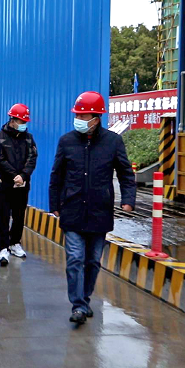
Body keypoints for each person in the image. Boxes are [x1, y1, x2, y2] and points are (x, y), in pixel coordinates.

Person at [50, 91, 135, 324]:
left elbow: (126, 173)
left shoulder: (113, 142)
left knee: (93, 261)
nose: (77, 119)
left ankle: (84, 299)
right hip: (72, 210)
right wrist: (55, 204)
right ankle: (78, 305)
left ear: (96, 118)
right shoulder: (66, 141)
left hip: (99, 212)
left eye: (82, 115)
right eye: (76, 115)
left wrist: (128, 199)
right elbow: (57, 175)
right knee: (75, 258)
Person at [0, 103, 38, 265]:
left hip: (22, 184)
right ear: (12, 120)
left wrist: (23, 175)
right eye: (21, 121)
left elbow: (32, 158)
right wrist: (14, 175)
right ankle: (3, 248)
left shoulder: (28, 138)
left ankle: (15, 243)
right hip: (5, 184)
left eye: (25, 122)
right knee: (4, 216)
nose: (23, 124)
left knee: (19, 216)